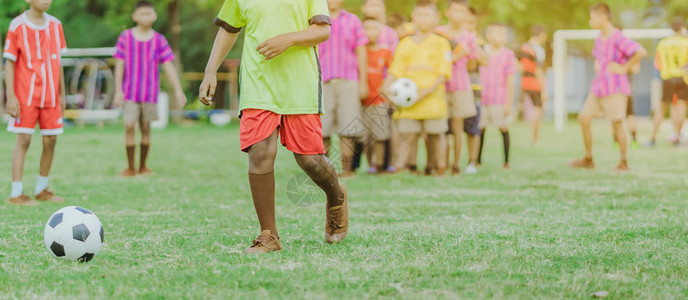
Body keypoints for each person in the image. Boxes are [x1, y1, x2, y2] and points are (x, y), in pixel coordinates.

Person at [199, 0, 348, 253]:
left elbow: (322, 31)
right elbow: (228, 29)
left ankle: (336, 198)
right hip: (258, 84)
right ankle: (269, 235)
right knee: (260, 152)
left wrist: (287, 39)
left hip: (300, 86)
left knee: (310, 161)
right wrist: (210, 71)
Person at [569, 3, 647, 171]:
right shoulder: (598, 38)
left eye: (592, 17)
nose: (590, 21)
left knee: (617, 124)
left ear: (603, 17)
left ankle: (623, 162)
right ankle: (588, 158)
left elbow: (640, 51)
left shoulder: (618, 37)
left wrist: (624, 68)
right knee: (584, 117)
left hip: (615, 87)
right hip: (598, 86)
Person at [4, 0, 67, 205]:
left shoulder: (56, 25)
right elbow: (10, 63)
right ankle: (16, 193)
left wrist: (62, 95)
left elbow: (58, 63)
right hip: (26, 95)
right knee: (24, 140)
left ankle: (42, 188)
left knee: (51, 140)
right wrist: (11, 96)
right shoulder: (17, 26)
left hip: (50, 96)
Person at [113, 1, 186, 177]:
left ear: (154, 16)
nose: (146, 16)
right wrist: (117, 90)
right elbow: (119, 64)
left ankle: (143, 166)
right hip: (129, 92)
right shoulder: (126, 37)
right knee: (129, 126)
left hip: (149, 92)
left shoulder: (159, 39)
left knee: (146, 127)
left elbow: (168, 66)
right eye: (142, 13)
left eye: (149, 13)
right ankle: (130, 168)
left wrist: (178, 90)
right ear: (135, 16)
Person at [385, 0, 452, 176]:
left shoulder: (441, 43)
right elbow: (395, 70)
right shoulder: (405, 43)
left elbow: (443, 73)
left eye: (427, 15)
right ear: (413, 18)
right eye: (419, 15)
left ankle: (439, 168)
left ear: (436, 18)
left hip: (432, 99)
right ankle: (403, 166)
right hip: (409, 102)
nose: (423, 19)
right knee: (408, 135)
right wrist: (386, 88)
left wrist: (425, 92)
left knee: (436, 135)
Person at [319, 0, 369, 177]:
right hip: (322, 80)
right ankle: (325, 170)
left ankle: (347, 170)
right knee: (322, 129)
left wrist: (364, 82)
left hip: (348, 80)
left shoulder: (353, 20)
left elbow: (361, 51)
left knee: (348, 128)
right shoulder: (315, 19)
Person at [435, 0, 480, 175]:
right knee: (440, 127)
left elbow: (474, 61)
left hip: (461, 85)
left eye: (463, 11)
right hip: (440, 86)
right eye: (456, 11)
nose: (459, 15)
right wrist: (455, 57)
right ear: (447, 12)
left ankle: (456, 163)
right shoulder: (439, 32)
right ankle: (441, 163)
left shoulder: (469, 36)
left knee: (458, 126)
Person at [476, 23, 516, 170]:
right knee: (480, 129)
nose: (502, 37)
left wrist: (508, 104)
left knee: (503, 128)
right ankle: (476, 160)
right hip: (482, 98)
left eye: (504, 34)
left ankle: (506, 161)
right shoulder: (481, 52)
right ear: (489, 35)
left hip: (499, 99)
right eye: (498, 33)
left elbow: (510, 80)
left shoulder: (508, 54)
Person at [647, 17, 688, 147]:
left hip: (667, 78)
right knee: (680, 107)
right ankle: (677, 136)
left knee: (661, 109)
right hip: (682, 78)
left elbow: (657, 65)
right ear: (682, 28)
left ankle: (652, 138)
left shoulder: (662, 44)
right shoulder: (686, 43)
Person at [361, 17, 393, 174]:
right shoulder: (359, 51)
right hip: (362, 100)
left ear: (380, 31)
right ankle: (370, 165)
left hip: (379, 100)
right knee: (366, 137)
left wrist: (386, 85)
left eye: (374, 28)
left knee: (380, 135)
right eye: (367, 28)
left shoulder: (385, 51)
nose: (370, 32)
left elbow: (394, 71)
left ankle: (380, 164)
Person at [519, 24, 548, 146]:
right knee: (538, 110)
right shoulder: (538, 49)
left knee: (534, 109)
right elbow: (539, 70)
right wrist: (544, 90)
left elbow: (519, 66)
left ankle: (534, 139)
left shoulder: (523, 47)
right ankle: (535, 139)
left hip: (525, 83)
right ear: (541, 34)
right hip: (536, 83)